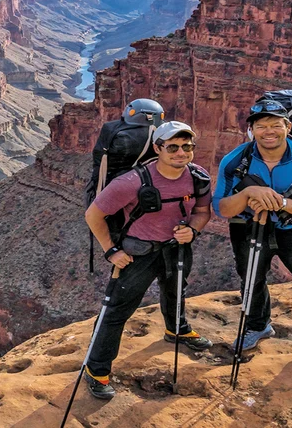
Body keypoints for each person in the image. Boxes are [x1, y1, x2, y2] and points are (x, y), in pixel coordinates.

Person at [212, 99, 292, 387]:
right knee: (252, 281)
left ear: (288, 126)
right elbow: (221, 208)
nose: (268, 131)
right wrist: (249, 194)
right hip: (248, 228)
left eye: (275, 125)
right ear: (251, 130)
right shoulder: (235, 160)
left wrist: (281, 202)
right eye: (261, 126)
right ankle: (258, 326)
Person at [83, 121, 213, 399]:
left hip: (176, 248)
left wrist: (193, 230)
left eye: (187, 146)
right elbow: (93, 215)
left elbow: (202, 211)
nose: (181, 152)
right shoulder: (131, 182)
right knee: (116, 311)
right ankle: (96, 370)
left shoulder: (198, 176)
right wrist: (111, 251)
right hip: (138, 255)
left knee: (176, 292)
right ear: (158, 148)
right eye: (173, 147)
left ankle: (177, 330)